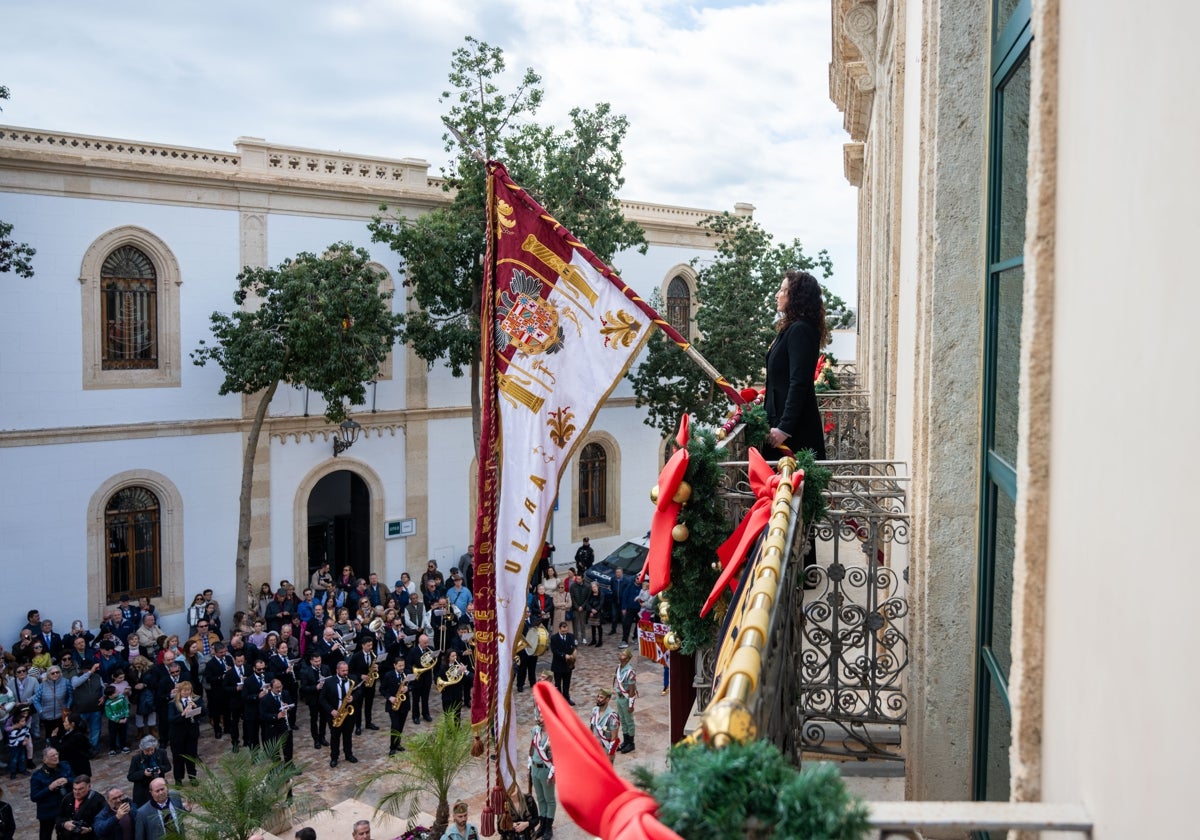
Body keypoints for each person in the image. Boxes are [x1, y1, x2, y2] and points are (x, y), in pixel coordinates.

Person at [319, 660, 360, 767]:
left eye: (346, 670)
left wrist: (353, 697)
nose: (345, 673)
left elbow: (359, 692)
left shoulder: (352, 679)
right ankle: (334, 757)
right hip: (335, 714)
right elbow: (322, 699)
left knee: (348, 736)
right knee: (335, 737)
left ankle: (348, 754)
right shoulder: (329, 682)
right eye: (343, 671)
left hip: (348, 714)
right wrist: (331, 710)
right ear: (337, 670)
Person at [30, 747, 73, 840]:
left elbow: (76, 780)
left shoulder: (65, 766)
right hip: (48, 811)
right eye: (52, 755)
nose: (55, 757)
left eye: (56, 754)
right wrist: (49, 788)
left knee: (66, 834)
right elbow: (34, 797)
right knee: (45, 835)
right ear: (45, 760)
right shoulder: (37, 776)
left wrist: (67, 780)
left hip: (66, 808)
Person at [167, 682, 201, 785]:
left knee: (191, 756)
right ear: (180, 691)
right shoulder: (173, 704)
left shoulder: (195, 700)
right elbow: (171, 719)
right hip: (177, 735)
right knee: (178, 758)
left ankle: (192, 777)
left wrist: (195, 708)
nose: (187, 692)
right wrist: (183, 713)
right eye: (184, 690)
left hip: (191, 734)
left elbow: (203, 712)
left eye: (189, 690)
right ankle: (178, 779)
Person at [528, 718, 556, 839]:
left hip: (546, 770)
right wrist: (529, 767)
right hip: (535, 768)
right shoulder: (535, 730)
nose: (537, 719)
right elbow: (531, 750)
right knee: (540, 798)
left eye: (541, 717)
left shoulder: (554, 735)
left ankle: (548, 827)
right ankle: (542, 824)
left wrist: (552, 773)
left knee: (549, 799)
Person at [298, 650, 331, 749]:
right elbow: (303, 688)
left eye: (319, 660)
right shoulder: (305, 672)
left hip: (324, 698)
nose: (318, 663)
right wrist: (315, 687)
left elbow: (330, 679)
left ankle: (322, 737)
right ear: (311, 661)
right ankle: (316, 739)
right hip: (313, 699)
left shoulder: (325, 668)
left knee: (323, 718)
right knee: (314, 719)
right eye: (316, 661)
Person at [56, 774, 106, 838]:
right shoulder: (68, 798)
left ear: (89, 787)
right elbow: (59, 817)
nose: (77, 792)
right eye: (74, 789)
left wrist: (90, 829)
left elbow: (104, 820)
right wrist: (64, 824)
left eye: (80, 789)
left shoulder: (98, 800)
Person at [380, 654, 411, 755]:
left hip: (404, 705)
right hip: (393, 705)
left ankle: (398, 744)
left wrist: (408, 688)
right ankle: (392, 747)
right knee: (395, 725)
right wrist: (390, 697)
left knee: (401, 726)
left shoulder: (407, 673)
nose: (402, 668)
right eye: (400, 666)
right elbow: (382, 689)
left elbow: (414, 684)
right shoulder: (389, 675)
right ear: (394, 665)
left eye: (403, 665)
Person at [125, 736, 168, 808]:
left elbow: (168, 766)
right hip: (143, 791)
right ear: (142, 749)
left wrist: (160, 769)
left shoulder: (161, 753)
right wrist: (143, 773)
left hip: (159, 786)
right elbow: (130, 776)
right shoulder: (136, 758)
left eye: (152, 750)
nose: (150, 752)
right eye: (147, 751)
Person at [259, 678, 294, 762]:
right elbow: (263, 715)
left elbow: (291, 705)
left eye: (280, 687)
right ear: (271, 687)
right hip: (272, 727)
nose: (279, 689)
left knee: (288, 746)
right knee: (275, 748)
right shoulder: (265, 699)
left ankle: (289, 764)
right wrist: (276, 716)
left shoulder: (285, 693)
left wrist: (288, 707)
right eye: (276, 687)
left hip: (285, 725)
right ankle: (276, 766)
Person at [405, 634, 435, 724]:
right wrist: (414, 671)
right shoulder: (413, 651)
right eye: (425, 643)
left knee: (425, 698)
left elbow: (434, 662)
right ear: (420, 642)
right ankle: (415, 716)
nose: (427, 644)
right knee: (416, 699)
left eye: (427, 642)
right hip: (417, 679)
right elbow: (408, 664)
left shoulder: (431, 649)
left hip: (427, 677)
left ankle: (426, 714)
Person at [613, 649, 639, 753]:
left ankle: (631, 743)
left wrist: (631, 705)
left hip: (626, 698)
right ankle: (625, 741)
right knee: (622, 720)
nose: (620, 654)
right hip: (619, 698)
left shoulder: (630, 671)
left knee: (629, 721)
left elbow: (632, 690)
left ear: (628, 659)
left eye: (623, 654)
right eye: (621, 653)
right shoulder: (618, 668)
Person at [588, 688, 620, 765]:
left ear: (607, 699)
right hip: (595, 746)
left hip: (605, 748)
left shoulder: (612, 716)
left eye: (601, 697)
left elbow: (614, 738)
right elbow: (591, 727)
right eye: (598, 696)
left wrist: (610, 755)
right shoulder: (595, 710)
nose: (598, 699)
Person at [548, 622, 577, 706]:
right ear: (559, 629)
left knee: (567, 682)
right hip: (558, 664)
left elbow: (574, 646)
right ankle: (558, 700)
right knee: (558, 683)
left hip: (568, 665)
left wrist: (573, 654)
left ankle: (566, 697)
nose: (565, 633)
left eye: (566, 631)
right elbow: (554, 650)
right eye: (563, 631)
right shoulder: (554, 638)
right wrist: (563, 655)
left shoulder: (570, 636)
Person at [104, 683, 131, 756]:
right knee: (113, 735)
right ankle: (112, 749)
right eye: (115, 692)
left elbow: (126, 706)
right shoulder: (108, 703)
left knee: (123, 733)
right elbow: (109, 714)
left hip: (123, 718)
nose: (118, 692)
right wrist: (118, 720)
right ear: (111, 695)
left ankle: (123, 746)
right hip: (114, 721)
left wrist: (126, 716)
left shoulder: (122, 697)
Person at [584, 582, 604, 648]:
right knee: (592, 626)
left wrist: (595, 610)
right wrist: (591, 610)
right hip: (591, 612)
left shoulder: (601, 594)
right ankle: (593, 640)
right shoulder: (590, 594)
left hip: (598, 612)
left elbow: (601, 603)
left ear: (598, 587)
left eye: (595, 587)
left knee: (599, 627)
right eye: (592, 587)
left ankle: (600, 641)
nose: (594, 589)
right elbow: (587, 603)